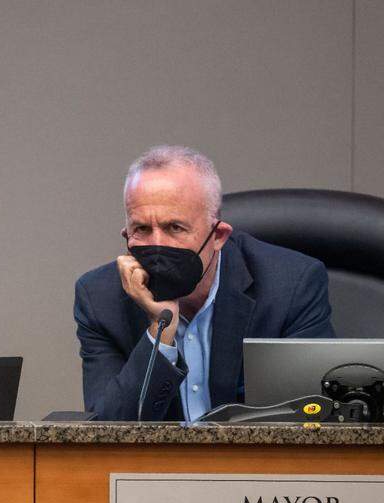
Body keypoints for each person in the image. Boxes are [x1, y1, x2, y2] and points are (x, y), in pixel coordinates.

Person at [74, 145, 335, 421]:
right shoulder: (99, 298)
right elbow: (105, 435)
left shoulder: (290, 286)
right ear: (126, 233)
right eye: (142, 229)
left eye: (175, 228)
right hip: (154, 465)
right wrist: (159, 331)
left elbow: (316, 419)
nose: (158, 244)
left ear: (219, 236)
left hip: (257, 462)